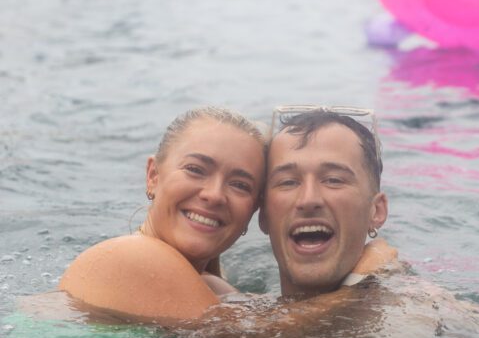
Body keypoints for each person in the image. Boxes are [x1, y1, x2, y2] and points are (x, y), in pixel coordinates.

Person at [58, 106, 393, 321]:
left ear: (255, 212)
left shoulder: (213, 291)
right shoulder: (130, 258)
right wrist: (365, 279)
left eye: (240, 185)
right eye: (195, 169)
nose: (214, 195)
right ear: (153, 176)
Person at [259, 108, 387, 297]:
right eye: (288, 182)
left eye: (334, 180)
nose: (308, 199)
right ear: (263, 215)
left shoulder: (421, 310)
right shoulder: (226, 306)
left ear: (376, 211)